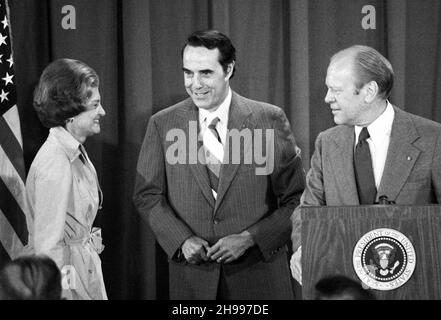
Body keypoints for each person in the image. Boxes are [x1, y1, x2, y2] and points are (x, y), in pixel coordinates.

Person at [133, 29, 305, 299]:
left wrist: (250, 238)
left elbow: (296, 199)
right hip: (192, 280)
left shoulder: (268, 119)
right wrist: (181, 239)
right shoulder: (162, 123)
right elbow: (148, 195)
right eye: (188, 73)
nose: (195, 83)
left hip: (259, 278)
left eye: (205, 73)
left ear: (228, 69)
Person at [290, 45, 441, 284]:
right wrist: (302, 247)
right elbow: (307, 210)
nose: (327, 98)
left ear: (369, 91)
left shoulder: (433, 139)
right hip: (345, 284)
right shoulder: (327, 143)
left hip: (416, 284)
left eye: (336, 90)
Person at [24, 58, 107, 300]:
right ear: (70, 113)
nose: (102, 112)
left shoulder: (72, 152)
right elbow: (48, 248)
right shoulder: (56, 161)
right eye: (95, 105)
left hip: (82, 268)